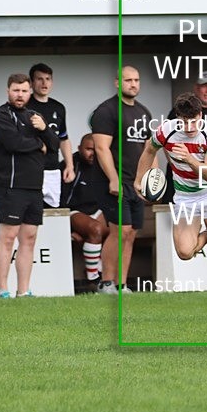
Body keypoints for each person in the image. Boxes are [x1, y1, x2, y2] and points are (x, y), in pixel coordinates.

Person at [136, 93, 207, 304]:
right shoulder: (165, 130)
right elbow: (149, 150)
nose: (189, 126)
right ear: (177, 117)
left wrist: (189, 158)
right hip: (185, 197)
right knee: (184, 252)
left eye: (194, 120)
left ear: (201, 115)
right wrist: (138, 179)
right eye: (184, 121)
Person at [0, 73, 60, 298]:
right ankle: (2, 290)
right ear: (8, 91)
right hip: (9, 186)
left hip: (33, 187)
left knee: (29, 238)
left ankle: (24, 290)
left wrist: (44, 129)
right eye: (16, 90)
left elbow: (55, 145)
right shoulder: (0, 116)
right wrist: (39, 144)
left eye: (24, 91)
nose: (20, 95)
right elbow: (14, 144)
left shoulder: (34, 116)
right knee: (8, 237)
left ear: (30, 92)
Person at [89, 66, 153, 295]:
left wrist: (151, 181)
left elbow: (149, 150)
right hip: (113, 182)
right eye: (128, 80)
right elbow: (101, 148)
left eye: (136, 80)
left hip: (136, 183)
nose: (133, 84)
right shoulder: (106, 111)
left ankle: (121, 284)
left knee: (131, 233)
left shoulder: (144, 112)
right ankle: (105, 283)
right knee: (120, 231)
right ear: (117, 83)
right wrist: (113, 179)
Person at [61, 134, 109, 285]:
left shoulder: (105, 164)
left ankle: (103, 272)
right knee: (95, 229)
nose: (92, 153)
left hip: (98, 210)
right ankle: (93, 278)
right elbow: (57, 202)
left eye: (96, 149)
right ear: (79, 148)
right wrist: (67, 229)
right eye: (88, 149)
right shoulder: (69, 165)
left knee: (118, 227)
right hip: (72, 212)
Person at [25, 63, 74, 207]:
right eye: (39, 79)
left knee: (52, 214)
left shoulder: (58, 107)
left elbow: (63, 139)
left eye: (48, 79)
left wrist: (69, 166)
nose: (44, 83)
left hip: (52, 170)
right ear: (32, 83)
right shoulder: (25, 106)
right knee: (30, 213)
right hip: (30, 169)